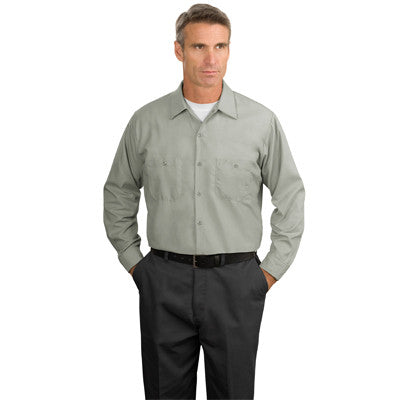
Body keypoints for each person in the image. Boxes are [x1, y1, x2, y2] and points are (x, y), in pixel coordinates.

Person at [103, 3, 305, 399]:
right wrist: (135, 263)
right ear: (179, 50)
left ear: (229, 49)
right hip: (164, 280)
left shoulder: (260, 122)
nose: (211, 59)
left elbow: (291, 194)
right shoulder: (146, 122)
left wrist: (267, 273)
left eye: (220, 46)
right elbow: (118, 192)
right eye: (199, 47)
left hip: (236, 283)